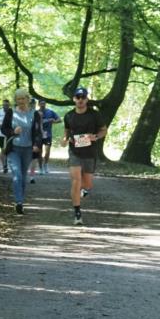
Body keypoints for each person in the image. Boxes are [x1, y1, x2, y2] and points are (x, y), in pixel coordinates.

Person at [62, 87, 107, 226]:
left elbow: (104, 130)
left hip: (90, 152)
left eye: (83, 97)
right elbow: (66, 132)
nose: (80, 100)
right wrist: (64, 139)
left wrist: (96, 137)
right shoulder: (69, 115)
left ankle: (84, 191)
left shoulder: (95, 115)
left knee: (87, 184)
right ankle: (77, 213)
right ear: (74, 99)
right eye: (77, 97)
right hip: (74, 152)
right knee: (76, 180)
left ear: (87, 99)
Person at [0, 88, 42, 214]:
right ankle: (18, 202)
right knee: (17, 175)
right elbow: (3, 129)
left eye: (23, 98)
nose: (21, 101)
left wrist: (36, 144)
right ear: (16, 100)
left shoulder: (34, 114)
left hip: (28, 149)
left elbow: (38, 132)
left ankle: (21, 202)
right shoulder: (11, 112)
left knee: (23, 177)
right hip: (14, 148)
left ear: (28, 99)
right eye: (18, 99)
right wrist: (13, 132)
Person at [36, 99, 61, 176]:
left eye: (44, 103)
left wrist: (53, 121)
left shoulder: (50, 112)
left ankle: (45, 165)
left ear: (45, 104)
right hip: (38, 135)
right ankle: (40, 168)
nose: (43, 105)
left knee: (47, 151)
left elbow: (59, 120)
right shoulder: (36, 113)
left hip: (48, 135)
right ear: (39, 104)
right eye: (41, 103)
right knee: (39, 152)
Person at [0, 99, 10, 174]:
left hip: (9, 134)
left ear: (9, 105)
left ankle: (8, 164)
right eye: (4, 105)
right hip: (1, 134)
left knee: (9, 150)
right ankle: (4, 166)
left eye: (7, 105)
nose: (5, 106)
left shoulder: (11, 112)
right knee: (3, 150)